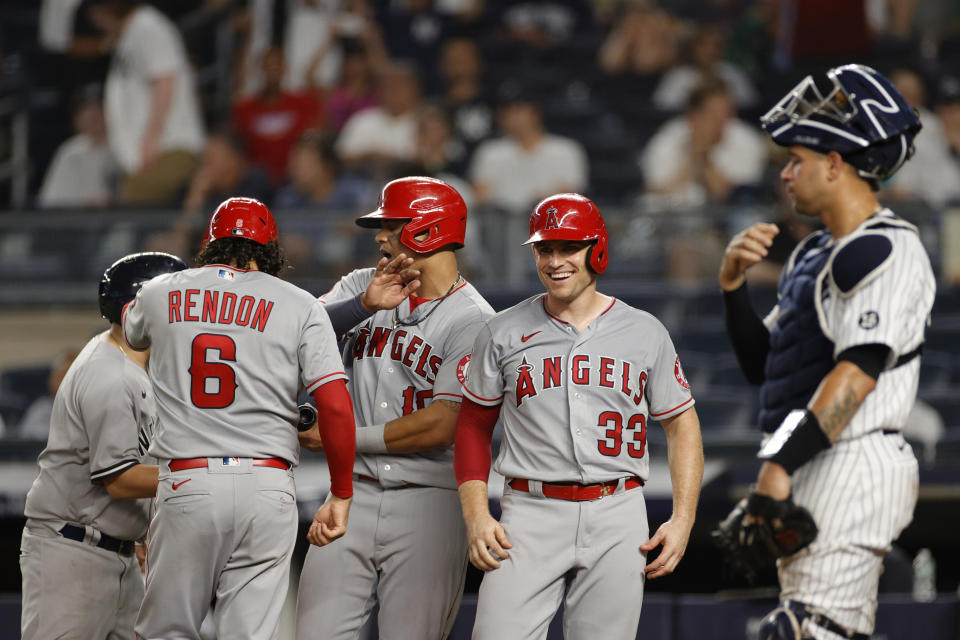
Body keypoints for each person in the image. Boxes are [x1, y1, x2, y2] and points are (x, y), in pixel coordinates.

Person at [718, 64, 932, 640]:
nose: (785, 174)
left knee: (802, 631)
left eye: (797, 161)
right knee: (831, 630)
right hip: (818, 456)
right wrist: (734, 287)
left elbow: (858, 373)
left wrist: (777, 465)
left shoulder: (886, 249)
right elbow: (765, 368)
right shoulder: (813, 253)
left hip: (856, 458)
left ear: (836, 165)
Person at [454, 193, 704, 640]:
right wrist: (476, 514)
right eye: (544, 249)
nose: (554, 261)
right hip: (529, 513)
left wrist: (683, 517)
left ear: (597, 249)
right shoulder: (502, 330)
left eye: (568, 247)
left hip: (618, 510)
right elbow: (473, 427)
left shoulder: (645, 331)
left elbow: (682, 424)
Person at [124, 197, 357, 639]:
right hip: (268, 485)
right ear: (270, 248)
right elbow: (335, 405)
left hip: (188, 480)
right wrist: (341, 491)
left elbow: (131, 332)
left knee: (165, 631)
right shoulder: (300, 303)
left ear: (210, 243)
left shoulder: (160, 291)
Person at [296, 176, 495, 640]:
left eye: (392, 224)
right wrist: (362, 305)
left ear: (428, 228)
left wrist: (339, 438)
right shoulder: (362, 284)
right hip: (351, 495)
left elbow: (444, 424)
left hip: (429, 501)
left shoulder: (474, 319)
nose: (380, 236)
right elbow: (288, 333)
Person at [19, 251, 187, 640]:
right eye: (174, 305)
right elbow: (121, 479)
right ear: (135, 312)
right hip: (72, 552)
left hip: (116, 553)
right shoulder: (108, 374)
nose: (184, 317)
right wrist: (198, 475)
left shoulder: (136, 366)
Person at [86, 0, 205, 206]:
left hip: (168, 145)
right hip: (148, 151)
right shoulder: (130, 34)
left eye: (96, 13)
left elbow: (165, 80)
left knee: (132, 200)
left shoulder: (149, 27)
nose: (95, 22)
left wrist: (152, 137)